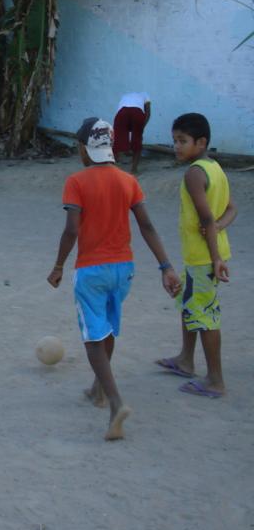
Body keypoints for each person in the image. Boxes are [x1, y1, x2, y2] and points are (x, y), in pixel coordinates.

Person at [47, 118, 180, 440]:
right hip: (124, 270)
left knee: (93, 338)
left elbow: (71, 230)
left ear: (83, 148)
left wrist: (59, 266)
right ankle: (98, 389)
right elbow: (147, 226)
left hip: (91, 269)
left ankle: (115, 402)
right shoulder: (128, 180)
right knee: (107, 328)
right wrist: (166, 266)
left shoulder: (76, 182)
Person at [156, 113, 237, 398]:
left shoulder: (194, 173)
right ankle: (185, 360)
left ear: (201, 142)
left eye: (183, 141)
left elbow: (205, 217)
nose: (176, 146)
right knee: (189, 305)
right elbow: (230, 210)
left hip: (204, 258)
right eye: (175, 140)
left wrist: (215, 256)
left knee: (205, 317)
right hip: (204, 255)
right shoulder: (215, 168)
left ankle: (215, 380)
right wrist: (218, 228)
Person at [113, 92, 151, 175]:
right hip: (137, 113)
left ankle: (113, 165)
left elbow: (119, 110)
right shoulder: (145, 95)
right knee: (137, 140)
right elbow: (148, 113)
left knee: (117, 139)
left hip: (122, 113)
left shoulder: (124, 96)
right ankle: (134, 169)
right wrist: (142, 126)